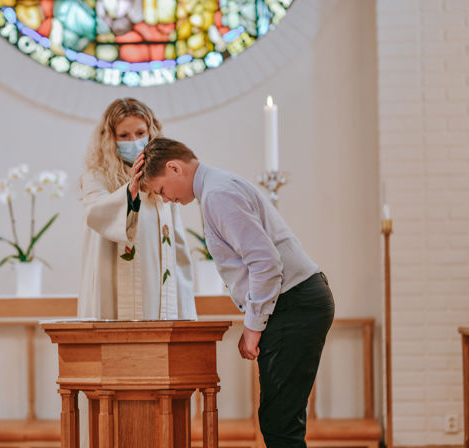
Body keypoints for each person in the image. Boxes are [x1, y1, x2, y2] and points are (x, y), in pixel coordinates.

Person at [138, 136, 335, 447]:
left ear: (174, 168)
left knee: (280, 422)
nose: (165, 199)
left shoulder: (217, 194)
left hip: (292, 302)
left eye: (161, 189)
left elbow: (265, 262)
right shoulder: (217, 187)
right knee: (280, 419)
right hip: (294, 300)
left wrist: (252, 328)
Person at [78, 98, 196, 321]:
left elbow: (176, 241)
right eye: (124, 135)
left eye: (140, 133)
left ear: (151, 133)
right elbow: (95, 213)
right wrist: (130, 191)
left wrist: (185, 305)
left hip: (159, 287)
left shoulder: (163, 177)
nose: (134, 141)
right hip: (112, 287)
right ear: (110, 138)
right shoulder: (96, 177)